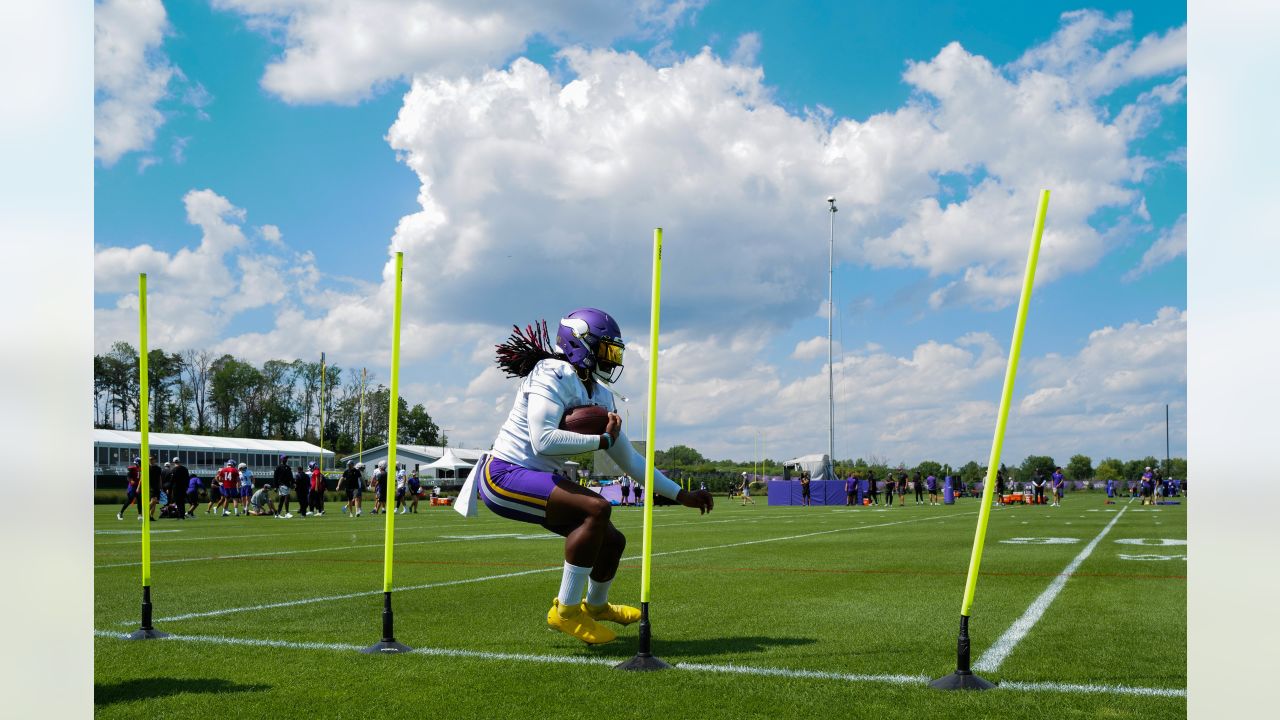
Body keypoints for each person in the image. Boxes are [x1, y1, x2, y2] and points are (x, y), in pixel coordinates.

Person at [474, 309, 714, 645]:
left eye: (616, 353)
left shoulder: (600, 393)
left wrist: (680, 494)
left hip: (539, 477)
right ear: (579, 343)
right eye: (606, 351)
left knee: (613, 541)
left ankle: (596, 606)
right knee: (597, 508)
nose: (612, 361)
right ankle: (566, 611)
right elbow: (541, 439)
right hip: (504, 475)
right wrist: (600, 440)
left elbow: (629, 458)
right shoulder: (552, 371)